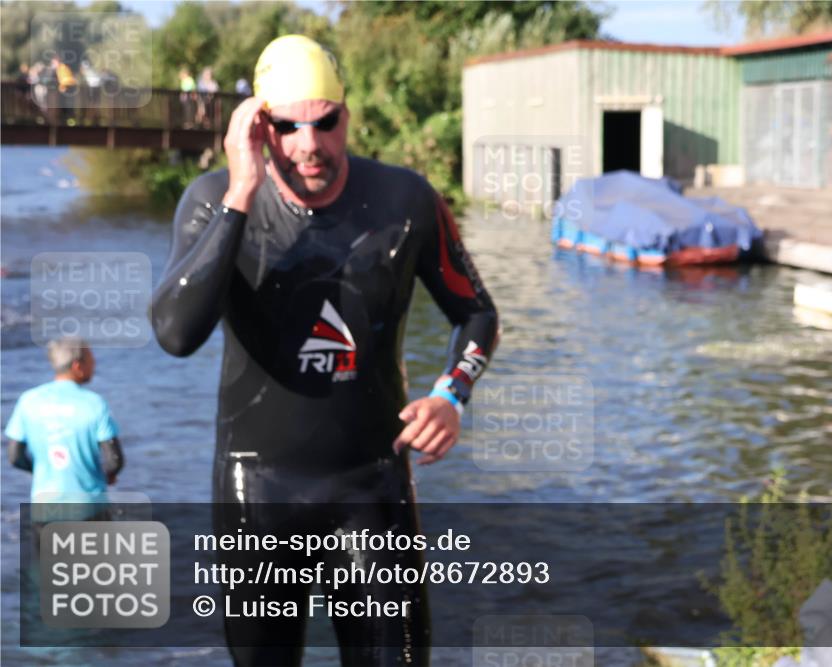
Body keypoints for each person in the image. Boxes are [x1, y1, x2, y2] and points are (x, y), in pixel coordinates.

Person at [151, 34, 499, 666]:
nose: (308, 144)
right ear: (259, 127)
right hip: (258, 491)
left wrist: (452, 394)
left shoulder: (405, 201)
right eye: (287, 127)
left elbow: (477, 312)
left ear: (347, 117)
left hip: (372, 485)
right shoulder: (212, 201)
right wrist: (241, 192)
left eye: (325, 122)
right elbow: (176, 334)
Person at [4, 337, 124, 513]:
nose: (94, 364)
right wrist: (107, 476)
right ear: (77, 366)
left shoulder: (28, 400)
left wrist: (41, 471)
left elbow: (15, 457)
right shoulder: (94, 403)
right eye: (91, 359)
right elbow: (114, 460)